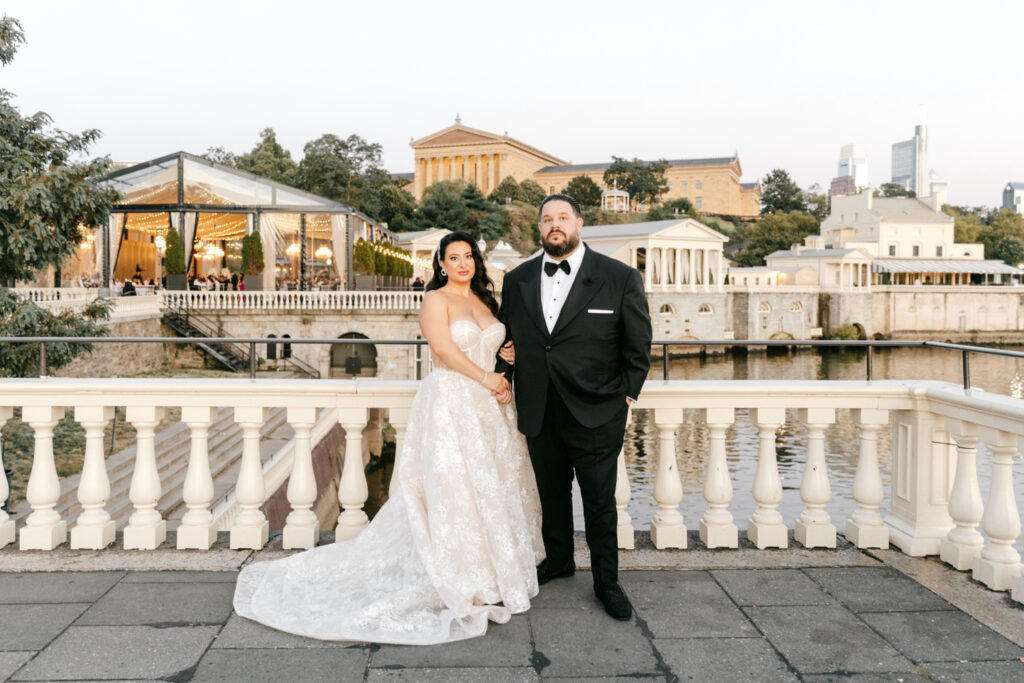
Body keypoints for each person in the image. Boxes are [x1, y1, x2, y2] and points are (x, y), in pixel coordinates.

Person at [234, 230, 544, 644]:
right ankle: (459, 575)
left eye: (469, 257)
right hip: (454, 402)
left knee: (491, 488)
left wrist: (505, 357)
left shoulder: (485, 301)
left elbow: (495, 342)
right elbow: (445, 350)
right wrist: (487, 376)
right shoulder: (435, 299)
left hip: (491, 408)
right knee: (453, 490)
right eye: (454, 258)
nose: (463, 264)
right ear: (441, 264)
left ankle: (491, 572)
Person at [497, 193, 652, 621]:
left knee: (600, 503)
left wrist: (624, 396)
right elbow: (508, 342)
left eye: (563, 217)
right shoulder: (519, 280)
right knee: (552, 495)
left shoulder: (618, 277)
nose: (554, 224)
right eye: (547, 218)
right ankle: (559, 560)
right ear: (539, 228)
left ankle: (607, 583)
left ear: (579, 223)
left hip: (597, 412)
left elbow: (638, 348)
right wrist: (502, 375)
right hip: (540, 408)